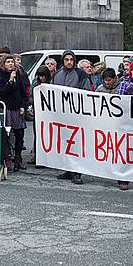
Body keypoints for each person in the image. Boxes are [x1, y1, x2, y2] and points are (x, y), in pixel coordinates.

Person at [53, 50, 87, 184]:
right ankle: (68, 169)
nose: (69, 62)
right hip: (62, 114)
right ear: (63, 61)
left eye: (71, 60)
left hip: (76, 115)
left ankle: (77, 172)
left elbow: (85, 92)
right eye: (66, 59)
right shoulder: (56, 74)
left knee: (76, 145)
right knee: (65, 143)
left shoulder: (81, 74)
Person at [0, 55, 28, 171]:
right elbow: (1, 92)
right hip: (3, 107)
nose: (11, 64)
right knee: (4, 135)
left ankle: (18, 158)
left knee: (19, 134)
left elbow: (22, 92)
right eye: (8, 62)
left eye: (12, 62)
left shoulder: (19, 74)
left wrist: (22, 106)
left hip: (16, 107)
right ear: (3, 64)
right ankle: (6, 158)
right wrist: (10, 81)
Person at [29, 65, 51, 165]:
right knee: (37, 134)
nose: (41, 78)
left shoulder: (51, 84)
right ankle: (37, 156)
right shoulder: (35, 83)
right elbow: (30, 97)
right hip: (38, 113)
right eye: (40, 76)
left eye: (43, 76)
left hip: (49, 114)